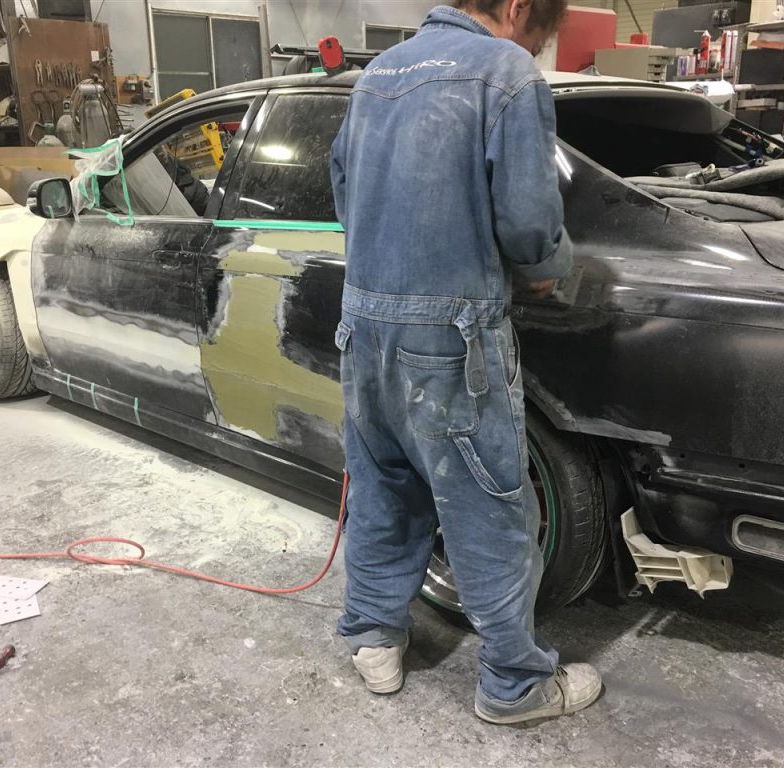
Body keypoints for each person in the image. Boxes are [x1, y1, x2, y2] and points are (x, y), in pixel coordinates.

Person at [329, 0, 602, 724]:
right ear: (517, 9)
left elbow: (344, 192)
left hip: (363, 327)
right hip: (450, 339)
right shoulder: (505, 72)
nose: (534, 52)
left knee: (382, 489)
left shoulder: (377, 73)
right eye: (539, 38)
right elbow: (528, 221)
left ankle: (374, 642)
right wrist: (548, 271)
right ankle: (515, 685)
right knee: (488, 507)